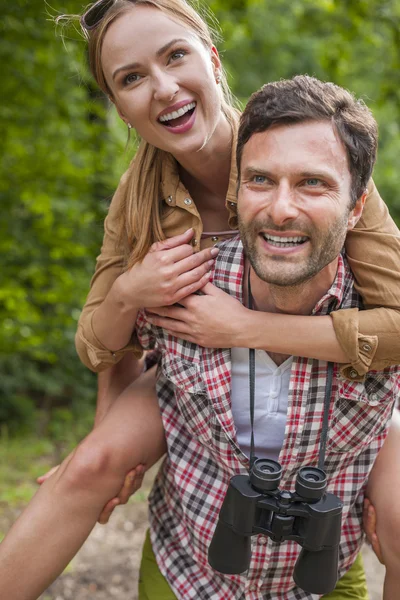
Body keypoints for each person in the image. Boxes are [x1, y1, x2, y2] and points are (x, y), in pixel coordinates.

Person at [0, 0, 399, 597]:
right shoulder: (139, 204)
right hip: (201, 377)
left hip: (333, 379)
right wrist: (130, 296)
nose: (162, 89)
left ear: (212, 60)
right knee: (87, 470)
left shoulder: (292, 146)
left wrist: (239, 327)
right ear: (119, 106)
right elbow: (102, 345)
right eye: (131, 78)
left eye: (175, 56)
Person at [131, 75, 400, 599]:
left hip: (322, 577)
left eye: (312, 183)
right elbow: (112, 345)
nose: (280, 209)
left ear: (358, 204)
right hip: (186, 570)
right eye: (261, 180)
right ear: (236, 190)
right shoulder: (182, 286)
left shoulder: (382, 309)